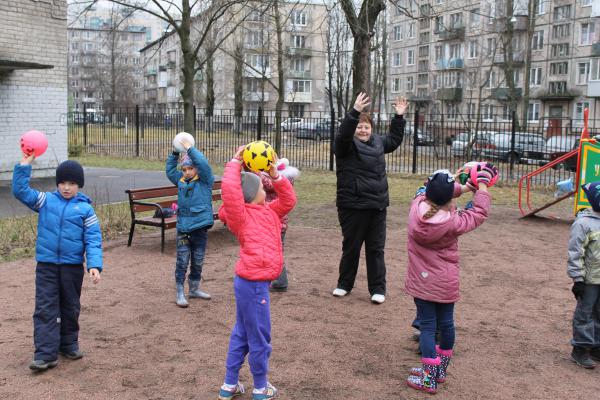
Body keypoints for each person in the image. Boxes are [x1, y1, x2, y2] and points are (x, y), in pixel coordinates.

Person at [404, 165, 496, 394]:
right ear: (449, 198)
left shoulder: (416, 206)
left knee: (427, 327)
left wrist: (463, 187)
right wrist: (480, 186)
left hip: (422, 282)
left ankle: (429, 377)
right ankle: (439, 372)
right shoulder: (454, 222)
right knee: (446, 324)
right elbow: (478, 213)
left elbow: (428, 190)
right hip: (446, 282)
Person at [217, 147, 297, 400]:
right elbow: (230, 193)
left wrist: (276, 176)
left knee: (242, 333)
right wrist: (235, 162)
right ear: (252, 195)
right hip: (253, 285)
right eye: (262, 188)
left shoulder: (269, 212)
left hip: (251, 284)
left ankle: (229, 385)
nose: (266, 189)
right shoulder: (240, 217)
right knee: (260, 336)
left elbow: (289, 201)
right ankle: (261, 387)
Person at [12, 155, 102, 371]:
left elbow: (93, 239)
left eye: (72, 183)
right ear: (57, 183)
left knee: (70, 306)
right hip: (47, 267)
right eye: (62, 182)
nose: (66, 187)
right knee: (45, 308)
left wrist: (94, 265)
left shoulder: (86, 210)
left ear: (79, 185)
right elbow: (20, 191)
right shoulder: (45, 201)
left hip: (72, 268)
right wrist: (24, 166)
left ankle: (68, 344)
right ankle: (45, 354)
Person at [332, 92, 407, 304]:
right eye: (359, 127)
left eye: (366, 127)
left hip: (377, 205)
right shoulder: (345, 146)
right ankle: (344, 285)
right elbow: (343, 135)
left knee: (375, 249)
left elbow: (394, 139)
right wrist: (354, 112)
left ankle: (377, 289)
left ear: (371, 129)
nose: (363, 130)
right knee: (351, 248)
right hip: (353, 206)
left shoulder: (378, 143)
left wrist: (398, 117)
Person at [166, 137, 214, 307]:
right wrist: (175, 152)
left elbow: (203, 164)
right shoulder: (180, 180)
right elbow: (170, 171)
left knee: (198, 261)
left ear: (197, 169)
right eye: (184, 169)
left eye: (190, 168)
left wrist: (190, 149)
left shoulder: (205, 181)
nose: (186, 172)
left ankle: (194, 289)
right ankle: (180, 291)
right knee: (182, 261)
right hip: (184, 229)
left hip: (199, 229)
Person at [567, 181, 600, 369]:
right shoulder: (583, 223)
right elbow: (575, 253)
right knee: (585, 313)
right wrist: (578, 279)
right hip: (588, 280)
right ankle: (580, 348)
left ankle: (596, 346)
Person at [258, 158, 300, 292]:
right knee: (273, 252)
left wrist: (256, 172)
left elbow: (268, 184)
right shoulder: (283, 178)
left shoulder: (274, 179)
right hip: (278, 222)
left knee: (275, 253)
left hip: (276, 223)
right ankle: (275, 279)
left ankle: (280, 282)